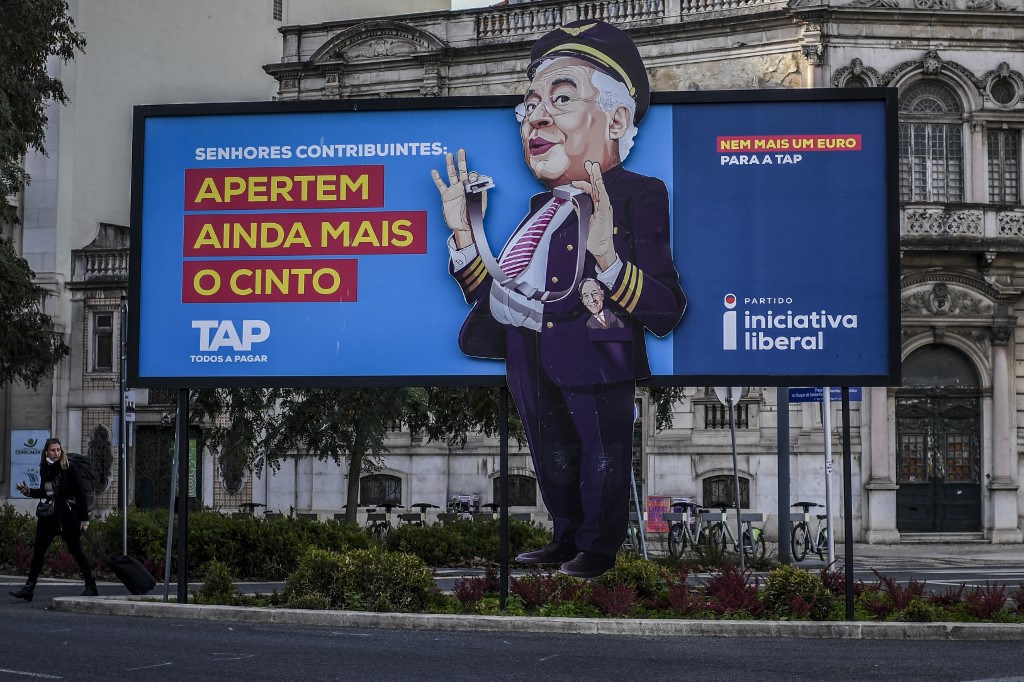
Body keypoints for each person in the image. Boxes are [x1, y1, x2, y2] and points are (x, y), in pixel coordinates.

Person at [432, 20, 686, 578]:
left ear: (617, 119)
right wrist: (463, 232)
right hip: (529, 349)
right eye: (530, 106)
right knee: (551, 456)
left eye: (561, 98)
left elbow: (667, 306)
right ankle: (565, 535)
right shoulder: (534, 208)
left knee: (601, 452)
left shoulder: (639, 194)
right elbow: (501, 293)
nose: (536, 118)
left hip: (598, 348)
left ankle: (597, 548)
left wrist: (610, 264)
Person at [9, 437, 98, 601]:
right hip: (50, 516)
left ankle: (91, 586)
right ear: (46, 452)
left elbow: (81, 494)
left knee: (76, 550)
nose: (56, 453)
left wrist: (85, 520)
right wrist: (29, 492)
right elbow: (48, 492)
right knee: (39, 551)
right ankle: (29, 589)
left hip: (68, 516)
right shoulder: (44, 468)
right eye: (53, 450)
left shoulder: (68, 467)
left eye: (58, 450)